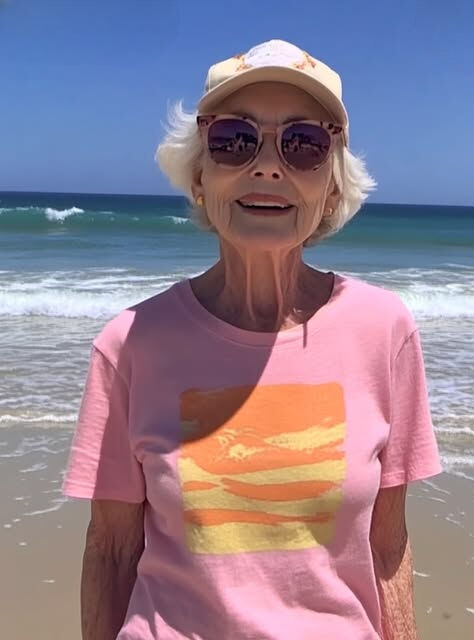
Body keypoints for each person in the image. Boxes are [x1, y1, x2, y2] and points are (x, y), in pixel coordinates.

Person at [62, 38, 443, 640]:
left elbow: (388, 545)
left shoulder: (384, 330)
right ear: (198, 176)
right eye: (234, 140)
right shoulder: (130, 344)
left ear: (332, 188)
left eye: (304, 144)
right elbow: (111, 550)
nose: (267, 166)